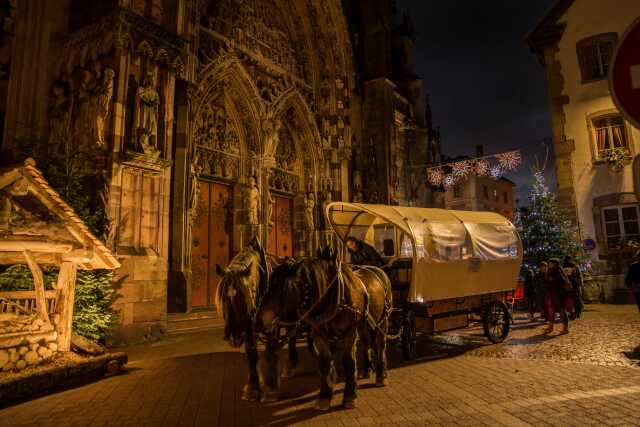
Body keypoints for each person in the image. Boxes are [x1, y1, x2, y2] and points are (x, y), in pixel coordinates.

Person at [544, 258, 571, 334]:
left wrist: (551, 280)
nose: (549, 265)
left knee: (562, 311)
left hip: (559, 294)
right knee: (552, 311)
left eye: (551, 263)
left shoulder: (557, 270)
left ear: (555, 264)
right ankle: (551, 326)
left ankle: (565, 328)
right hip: (553, 293)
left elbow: (561, 281)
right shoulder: (551, 271)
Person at [563, 255, 584, 319]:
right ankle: (576, 312)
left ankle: (572, 312)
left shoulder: (563, 267)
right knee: (576, 299)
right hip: (574, 284)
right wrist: (581, 284)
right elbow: (579, 276)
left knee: (570, 299)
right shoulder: (575, 266)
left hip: (568, 285)